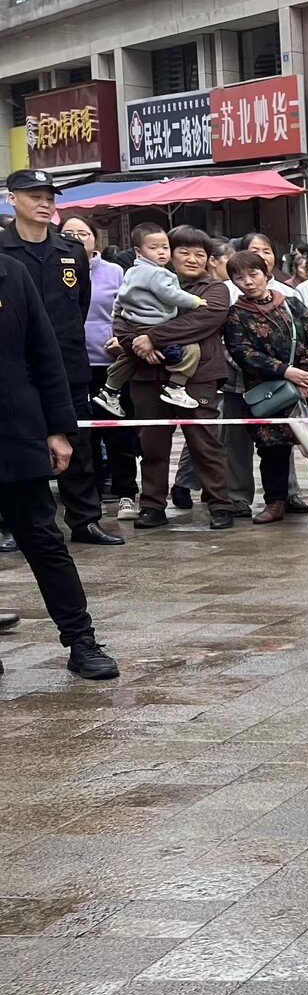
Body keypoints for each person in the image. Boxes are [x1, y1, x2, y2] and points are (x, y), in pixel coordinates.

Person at [0, 252, 118, 681]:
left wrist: (58, 428)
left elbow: (45, 353)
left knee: (46, 543)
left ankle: (81, 640)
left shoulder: (11, 273)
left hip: (15, 431)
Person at [0, 169, 124, 547]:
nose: (44, 203)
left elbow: (80, 305)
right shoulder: (2, 252)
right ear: (12, 199)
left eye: (50, 197)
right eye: (34, 196)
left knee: (79, 444)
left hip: (66, 364)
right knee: (11, 444)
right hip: (14, 369)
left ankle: (84, 519)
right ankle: (8, 523)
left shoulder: (70, 252)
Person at [119, 225, 243, 532]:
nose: (192, 259)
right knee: (152, 443)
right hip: (149, 374)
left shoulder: (215, 289)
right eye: (183, 252)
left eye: (200, 254)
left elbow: (201, 321)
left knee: (205, 441)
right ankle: (151, 505)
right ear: (167, 254)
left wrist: (152, 337)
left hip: (197, 377)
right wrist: (137, 343)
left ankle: (219, 504)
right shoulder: (140, 283)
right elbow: (121, 320)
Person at [225, 249, 308, 526]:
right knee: (272, 449)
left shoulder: (292, 303)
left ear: (266, 274)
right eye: (239, 277)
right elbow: (243, 353)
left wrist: (306, 374)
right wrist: (287, 372)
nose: (247, 281)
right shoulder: (236, 315)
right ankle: (275, 502)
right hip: (269, 390)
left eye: (253, 274)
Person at [65, 215, 138, 518]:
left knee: (118, 432)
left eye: (83, 233)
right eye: (69, 233)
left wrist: (122, 339)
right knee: (82, 434)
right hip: (71, 363)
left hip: (110, 364)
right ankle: (89, 494)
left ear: (96, 239)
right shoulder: (57, 268)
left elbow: (128, 309)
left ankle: (126, 493)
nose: (77, 238)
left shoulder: (114, 271)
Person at [99, 225, 209, 411]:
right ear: (138, 251)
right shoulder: (156, 273)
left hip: (134, 324)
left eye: (165, 248)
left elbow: (120, 298)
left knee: (129, 357)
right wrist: (195, 301)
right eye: (154, 248)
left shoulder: (132, 271)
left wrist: (116, 313)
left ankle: (109, 390)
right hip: (153, 324)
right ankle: (176, 387)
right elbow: (170, 294)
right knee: (191, 349)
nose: (161, 252)